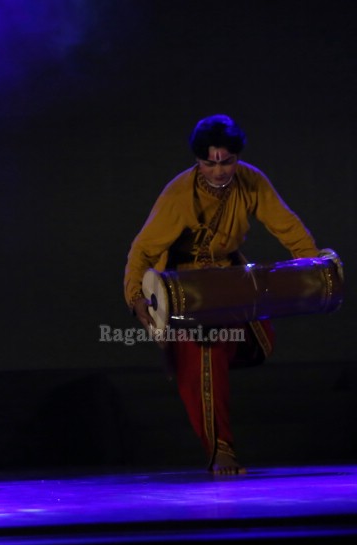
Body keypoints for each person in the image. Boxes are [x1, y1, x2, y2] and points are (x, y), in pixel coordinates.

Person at [124, 115, 319, 475]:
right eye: (209, 164)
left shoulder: (251, 181)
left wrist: (312, 269)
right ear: (199, 162)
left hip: (228, 283)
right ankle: (221, 451)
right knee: (204, 355)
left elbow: (288, 227)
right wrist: (136, 296)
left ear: (236, 158)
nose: (218, 172)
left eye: (226, 161)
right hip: (183, 293)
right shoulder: (179, 193)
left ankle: (203, 363)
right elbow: (143, 249)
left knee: (260, 342)